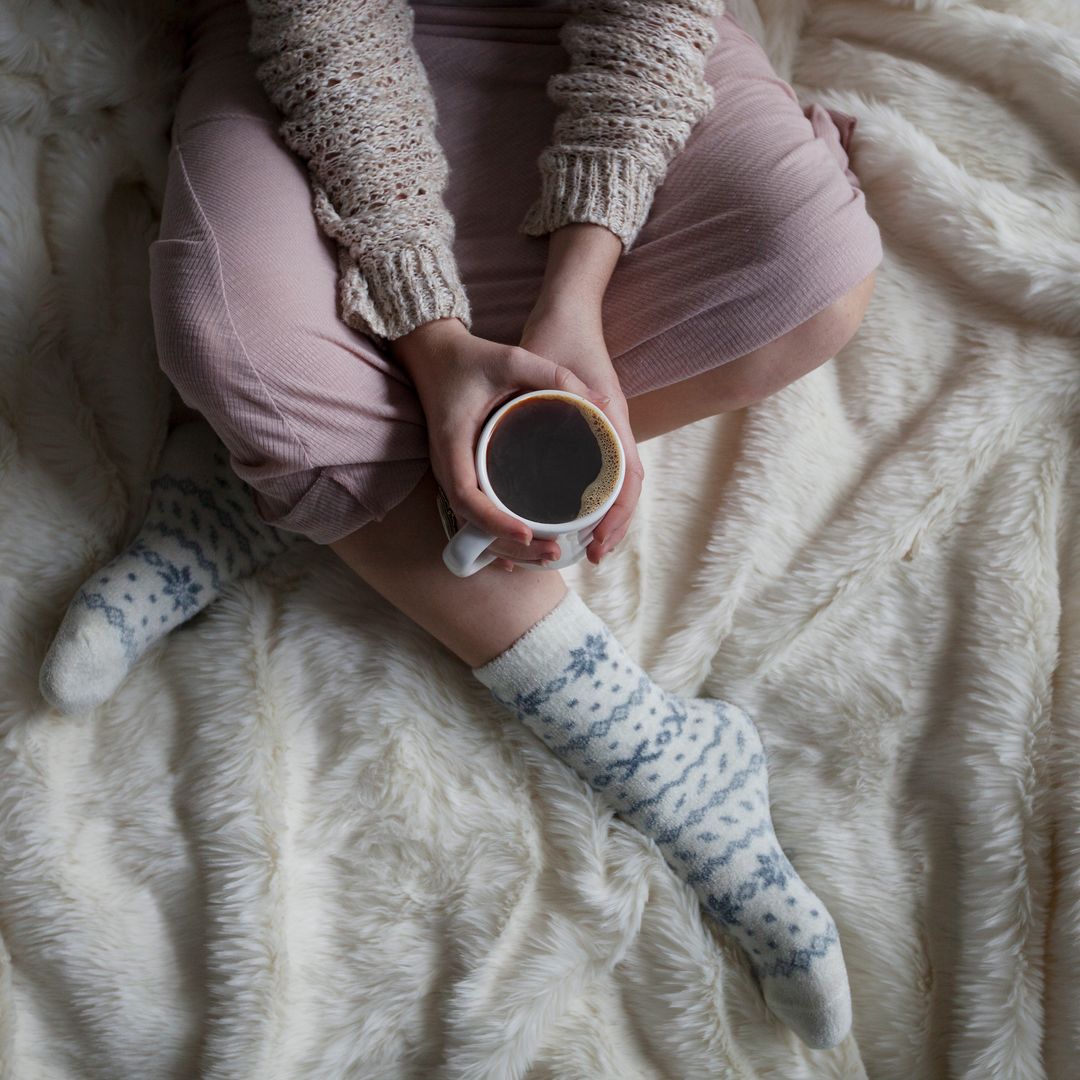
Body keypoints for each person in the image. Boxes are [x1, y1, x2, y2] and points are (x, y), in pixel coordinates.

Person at [40, 0, 882, 1048]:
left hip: (615, 40)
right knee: (221, 321)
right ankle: (650, 753)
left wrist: (578, 292)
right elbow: (326, 31)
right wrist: (435, 340)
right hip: (310, 45)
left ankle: (280, 467)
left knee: (814, 273)